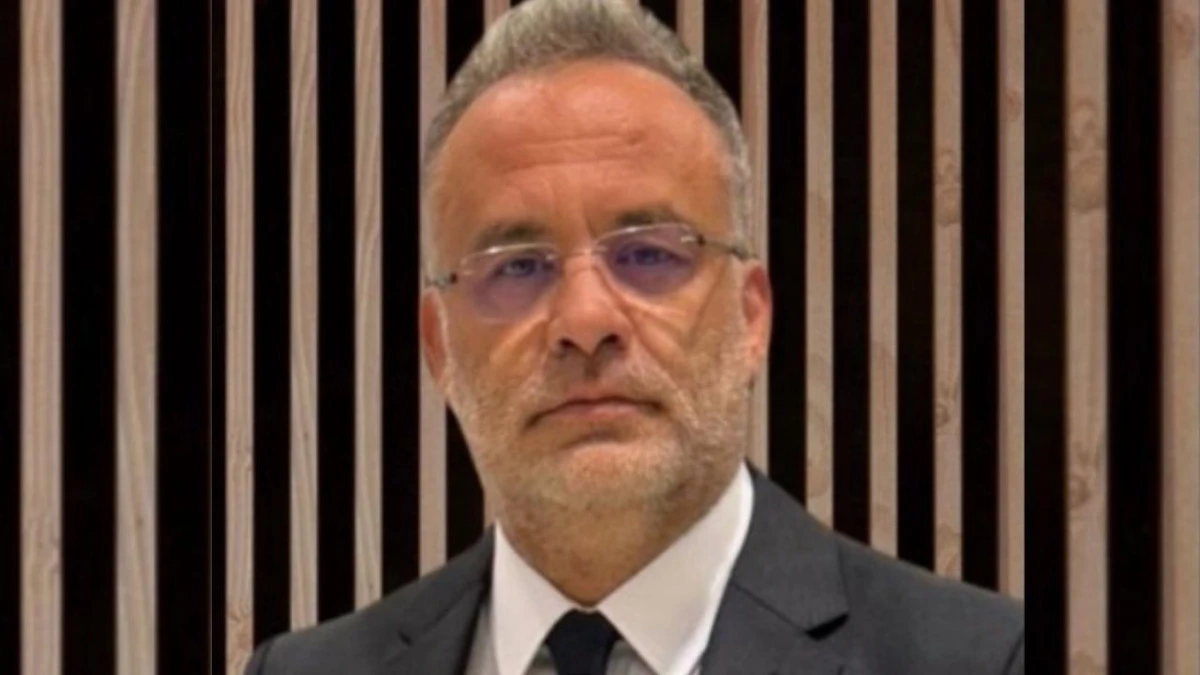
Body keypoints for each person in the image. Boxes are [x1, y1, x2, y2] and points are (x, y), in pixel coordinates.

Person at [245, 1, 1024, 673]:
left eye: (648, 254)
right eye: (518, 267)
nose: (586, 321)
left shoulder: (984, 657)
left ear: (751, 316)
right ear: (440, 348)